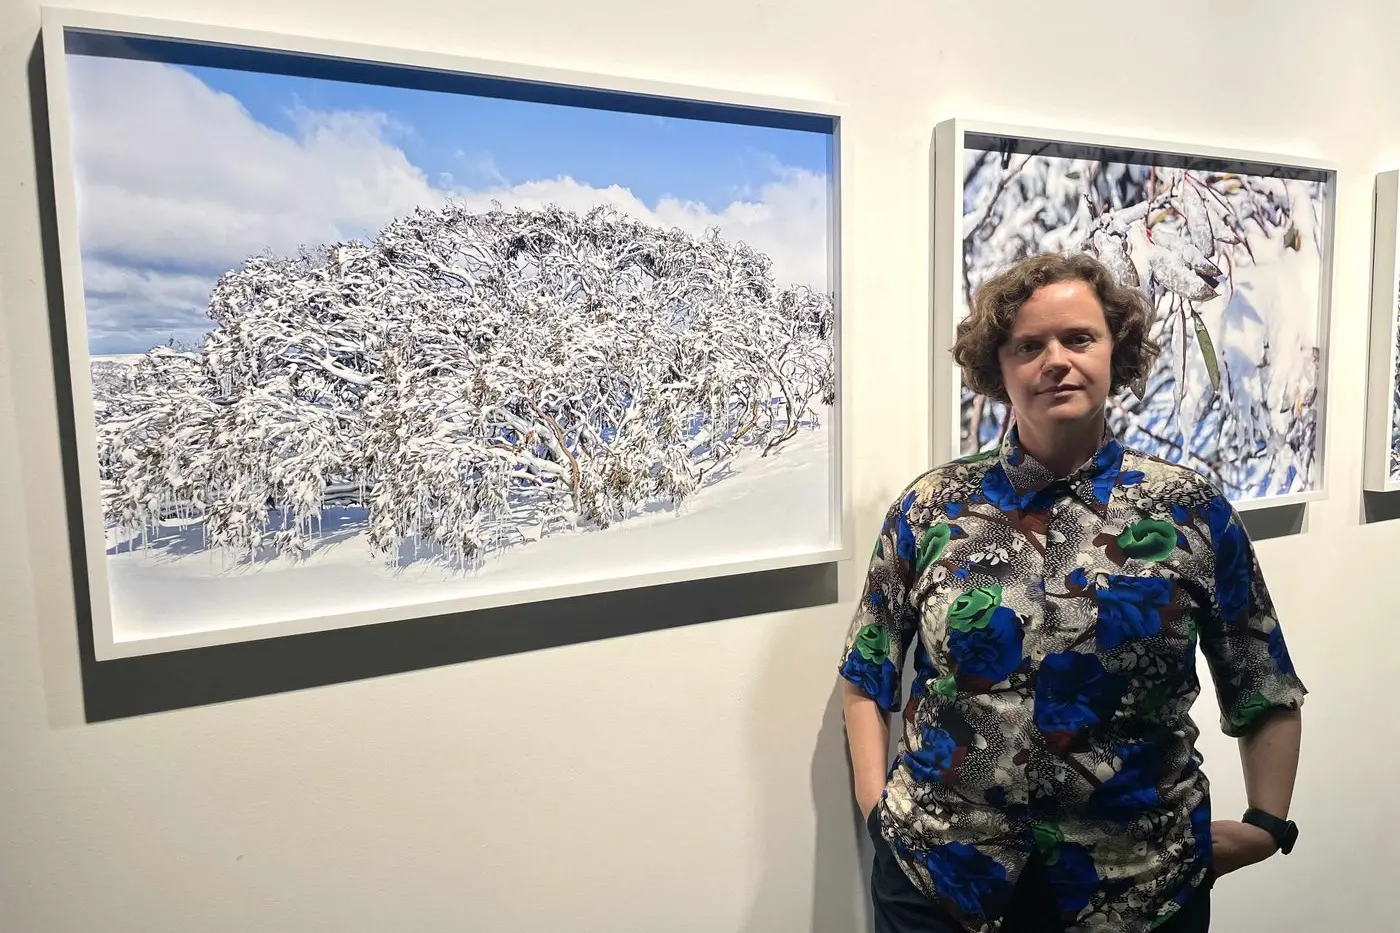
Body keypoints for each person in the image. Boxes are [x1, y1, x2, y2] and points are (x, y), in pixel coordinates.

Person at [837, 252, 1306, 933]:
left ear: (1117, 351)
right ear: (998, 369)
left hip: (1139, 888)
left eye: (1079, 338)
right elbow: (865, 670)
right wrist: (878, 809)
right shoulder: (929, 507)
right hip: (942, 881)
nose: (1055, 360)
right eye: (1030, 345)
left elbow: (1262, 678)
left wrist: (1267, 823)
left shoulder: (1189, 509)